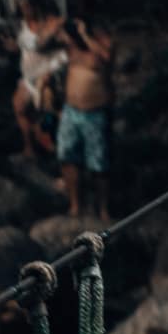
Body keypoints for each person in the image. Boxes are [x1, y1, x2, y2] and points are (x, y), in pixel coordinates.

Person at [57, 15, 113, 222]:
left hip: (94, 113)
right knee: (68, 157)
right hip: (71, 111)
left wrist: (85, 34)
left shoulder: (103, 44)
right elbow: (50, 43)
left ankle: (103, 209)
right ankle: (75, 205)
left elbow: (106, 57)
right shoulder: (72, 47)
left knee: (98, 164)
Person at [12, 0, 66, 164]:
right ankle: (30, 150)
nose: (25, 11)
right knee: (19, 106)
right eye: (21, 7)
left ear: (36, 5)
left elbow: (43, 45)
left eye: (27, 6)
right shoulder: (22, 24)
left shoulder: (52, 22)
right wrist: (14, 46)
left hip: (49, 75)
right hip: (30, 75)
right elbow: (25, 46)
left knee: (53, 115)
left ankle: (64, 158)